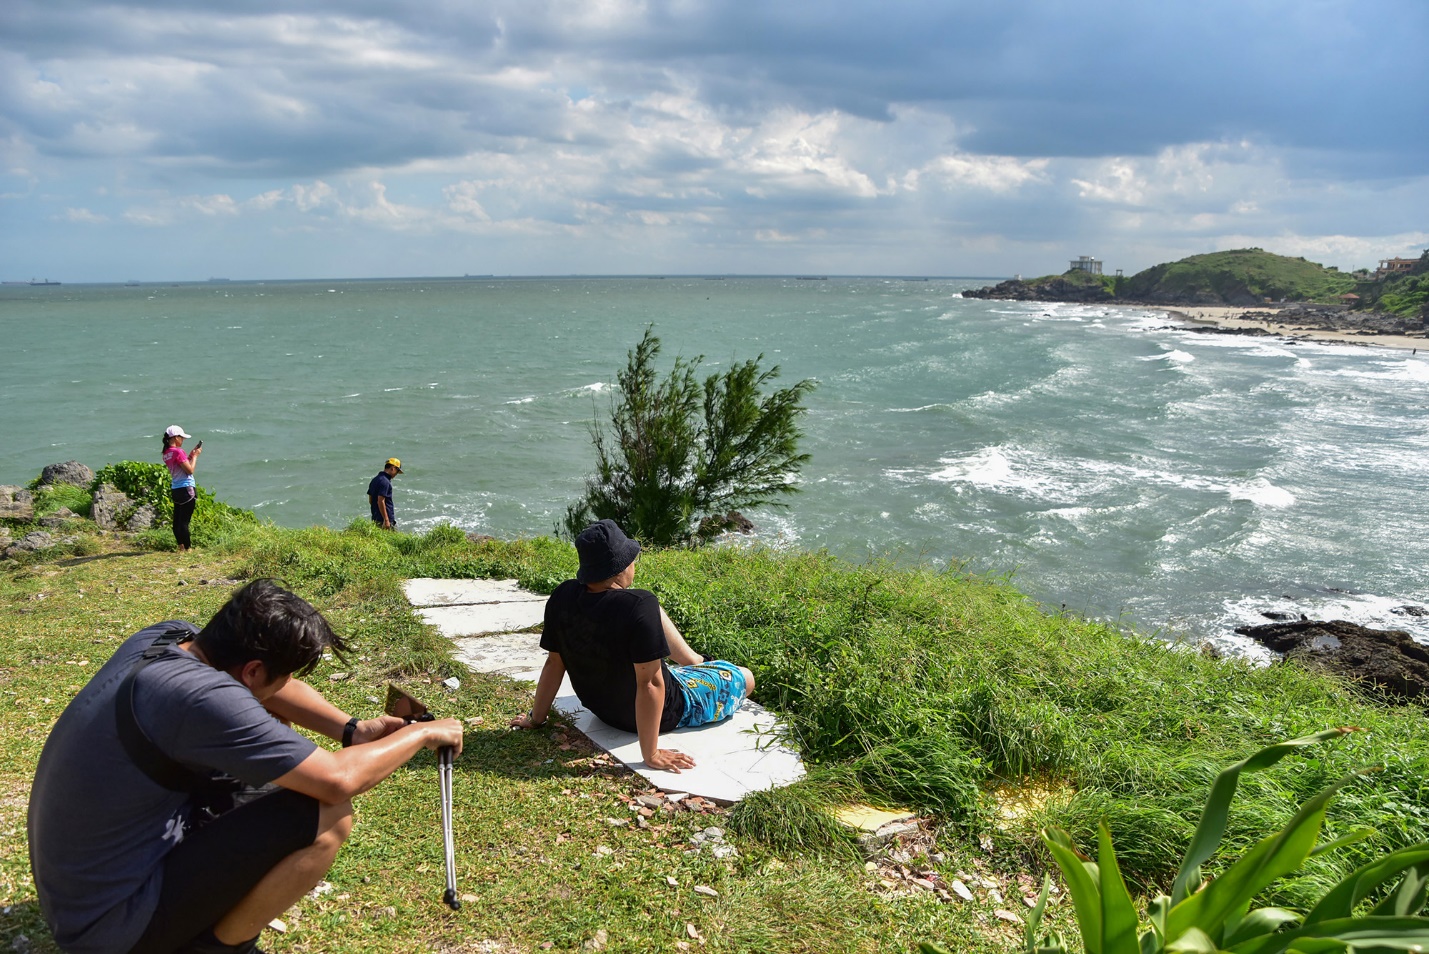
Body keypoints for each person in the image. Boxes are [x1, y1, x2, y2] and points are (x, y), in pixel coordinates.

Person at [28, 579, 463, 954]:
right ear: (253, 669)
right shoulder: (202, 699)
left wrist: (353, 730)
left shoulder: (166, 640)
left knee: (280, 751)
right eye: (285, 673)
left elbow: (265, 692)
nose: (286, 683)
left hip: (78, 898)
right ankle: (218, 947)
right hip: (111, 930)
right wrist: (421, 734)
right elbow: (337, 780)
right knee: (329, 816)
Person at [509, 519, 754, 773]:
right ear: (619, 569)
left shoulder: (563, 596)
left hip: (603, 710)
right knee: (745, 677)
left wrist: (536, 719)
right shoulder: (639, 605)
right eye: (631, 559)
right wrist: (652, 753)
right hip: (665, 711)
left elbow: (554, 663)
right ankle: (702, 668)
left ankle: (695, 663)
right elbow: (649, 684)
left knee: (647, 610)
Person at [161, 425, 200, 550]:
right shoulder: (178, 451)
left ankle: (181, 547)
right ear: (176, 437)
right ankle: (188, 549)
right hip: (187, 488)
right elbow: (189, 470)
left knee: (177, 521)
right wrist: (195, 457)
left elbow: (179, 466)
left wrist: (189, 456)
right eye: (182, 437)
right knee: (184, 522)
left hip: (176, 489)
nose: (182, 440)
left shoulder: (166, 453)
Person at [367, 458, 402, 529]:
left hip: (376, 518)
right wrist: (386, 520)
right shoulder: (385, 482)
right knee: (393, 539)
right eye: (397, 471)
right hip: (385, 521)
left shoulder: (375, 479)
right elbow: (381, 501)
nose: (396, 474)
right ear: (393, 468)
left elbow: (371, 500)